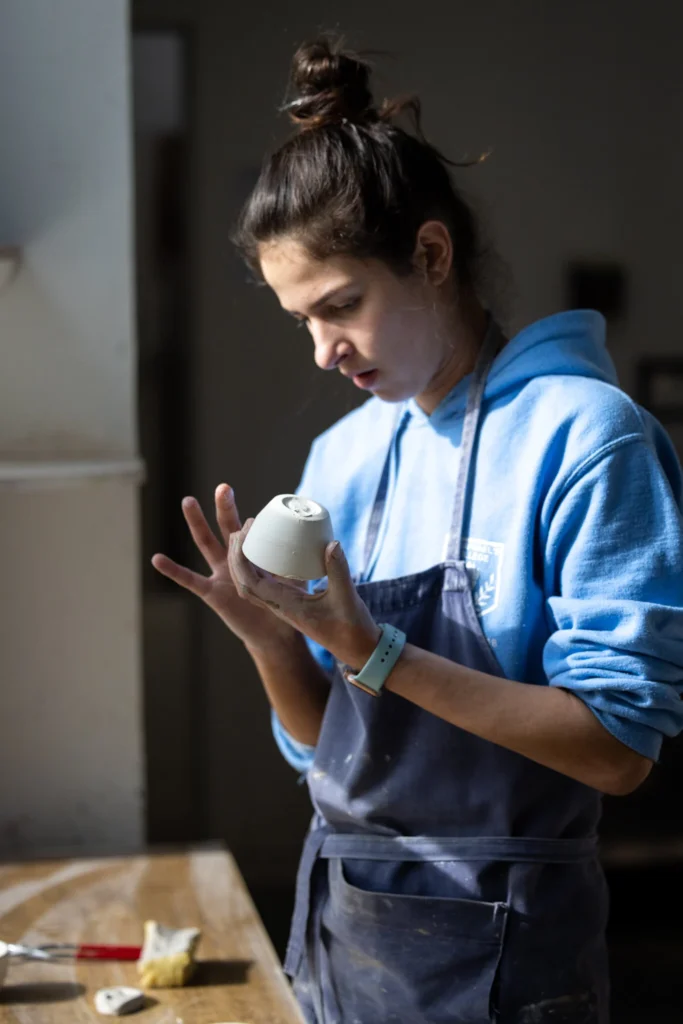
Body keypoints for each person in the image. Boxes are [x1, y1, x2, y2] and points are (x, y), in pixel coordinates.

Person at [152, 36, 683, 1024]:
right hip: (343, 942)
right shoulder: (343, 459)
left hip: (509, 956)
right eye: (299, 320)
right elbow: (334, 751)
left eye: (339, 306)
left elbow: (617, 747)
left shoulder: (586, 437)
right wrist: (274, 641)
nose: (322, 351)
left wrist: (378, 652)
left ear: (430, 255)